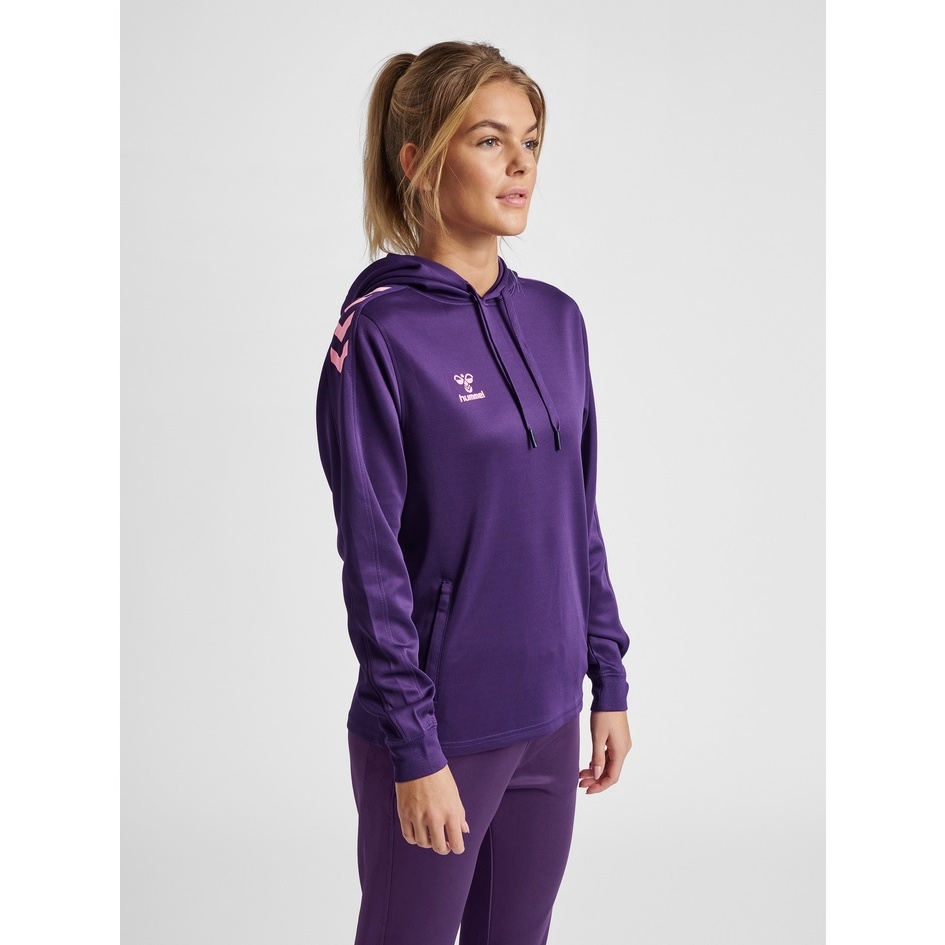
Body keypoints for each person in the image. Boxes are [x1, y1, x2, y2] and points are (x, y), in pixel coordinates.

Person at [315, 40, 633, 945]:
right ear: (419, 161)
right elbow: (372, 560)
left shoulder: (557, 320)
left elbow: (577, 516)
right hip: (439, 727)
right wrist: (414, 747)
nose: (520, 163)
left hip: (549, 717)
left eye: (529, 141)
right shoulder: (378, 336)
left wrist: (607, 677)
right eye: (490, 140)